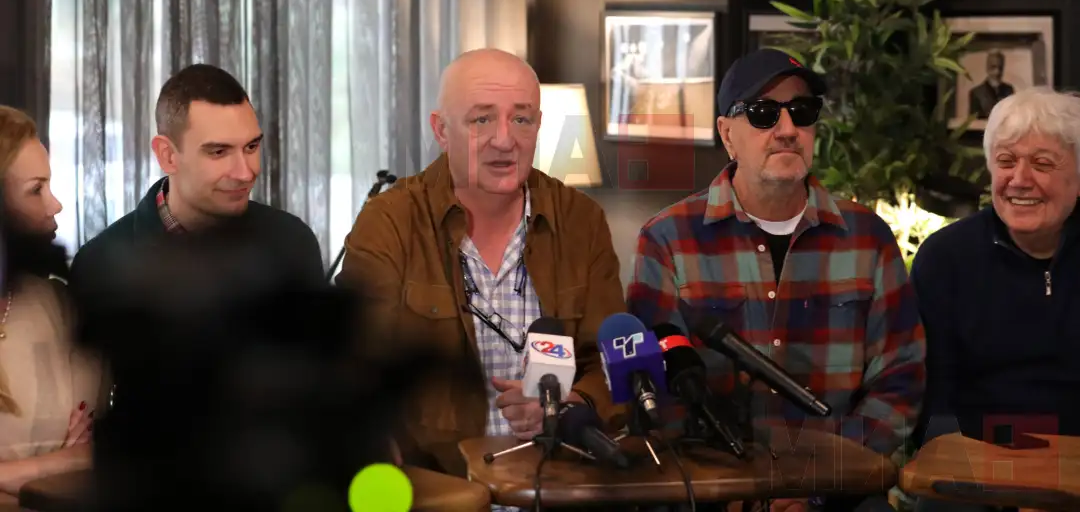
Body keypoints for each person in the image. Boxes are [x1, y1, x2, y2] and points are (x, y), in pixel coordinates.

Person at [627, 49, 925, 509]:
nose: (787, 129)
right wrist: (732, 491)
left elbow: (900, 380)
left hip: (835, 492)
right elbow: (654, 395)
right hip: (711, 493)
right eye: (764, 113)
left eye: (802, 112)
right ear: (727, 134)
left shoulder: (868, 238)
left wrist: (817, 483)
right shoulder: (667, 240)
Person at [337, 48, 626, 478]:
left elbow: (611, 362)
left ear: (538, 126)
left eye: (521, 119)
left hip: (560, 480)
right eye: (482, 120)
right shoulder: (390, 222)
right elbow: (353, 364)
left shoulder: (581, 220)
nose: (505, 140)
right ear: (441, 130)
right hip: (439, 486)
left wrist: (567, 406)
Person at [913, 88, 1080, 457]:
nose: (1019, 179)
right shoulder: (944, 259)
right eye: (1006, 161)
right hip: (976, 459)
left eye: (1042, 163)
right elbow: (932, 399)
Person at [68, 63, 326, 288]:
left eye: (251, 147)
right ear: (168, 156)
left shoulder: (293, 244)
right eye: (219, 152)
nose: (245, 172)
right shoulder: (101, 268)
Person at [0, 105, 103, 499]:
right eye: (35, 189)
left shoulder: (59, 304)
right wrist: (51, 463)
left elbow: (101, 451)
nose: (56, 204)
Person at [968, 50, 1015, 119]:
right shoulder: (976, 93)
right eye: (993, 67)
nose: (997, 72)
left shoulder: (1009, 90)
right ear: (987, 68)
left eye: (1000, 68)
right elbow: (973, 122)